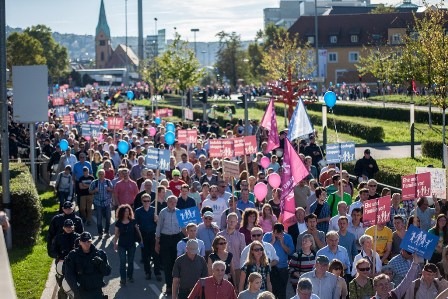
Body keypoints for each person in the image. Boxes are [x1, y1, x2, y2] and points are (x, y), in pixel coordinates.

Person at [64, 232, 111, 299]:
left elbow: (108, 272)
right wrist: (76, 291)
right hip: (81, 292)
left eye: (88, 241)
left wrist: (101, 264)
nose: (86, 243)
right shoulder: (73, 255)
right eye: (84, 241)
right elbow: (69, 275)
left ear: (91, 241)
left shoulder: (100, 254)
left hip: (96, 291)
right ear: (80, 242)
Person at [156, 195, 184, 295]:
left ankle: (176, 286)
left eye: (174, 202)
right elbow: (159, 227)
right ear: (167, 202)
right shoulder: (163, 212)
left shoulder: (179, 212)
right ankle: (168, 286)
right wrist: (157, 243)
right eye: (170, 201)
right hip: (165, 239)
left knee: (176, 263)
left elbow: (183, 227)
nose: (172, 203)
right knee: (167, 264)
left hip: (177, 238)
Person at [262, 223, 294, 299]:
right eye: (276, 233)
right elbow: (262, 250)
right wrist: (273, 240)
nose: (278, 235)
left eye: (280, 233)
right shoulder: (267, 236)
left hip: (282, 268)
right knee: (270, 291)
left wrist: (282, 243)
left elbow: (290, 252)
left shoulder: (287, 237)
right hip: (270, 267)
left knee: (282, 291)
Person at [50, 219, 80, 299]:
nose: (69, 228)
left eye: (70, 226)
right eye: (67, 227)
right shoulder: (58, 238)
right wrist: (59, 258)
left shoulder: (78, 237)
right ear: (63, 227)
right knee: (63, 288)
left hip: (75, 266)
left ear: (73, 227)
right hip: (62, 266)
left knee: (73, 287)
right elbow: (52, 251)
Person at [113, 204, 142, 286]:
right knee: (122, 262)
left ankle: (130, 276)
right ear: (122, 212)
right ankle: (123, 279)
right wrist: (115, 244)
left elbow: (138, 230)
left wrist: (141, 240)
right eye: (125, 211)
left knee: (130, 262)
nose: (127, 213)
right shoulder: (118, 223)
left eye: (128, 211)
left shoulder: (133, 221)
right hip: (121, 245)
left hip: (131, 245)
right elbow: (116, 234)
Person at [134, 193, 160, 280]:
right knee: (145, 256)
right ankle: (148, 272)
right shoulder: (138, 211)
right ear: (142, 201)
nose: (146, 202)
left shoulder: (154, 210)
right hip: (143, 235)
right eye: (144, 201)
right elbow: (136, 224)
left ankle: (157, 273)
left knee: (156, 254)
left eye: (148, 201)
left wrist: (157, 220)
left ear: (150, 201)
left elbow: (159, 223)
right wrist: (139, 237)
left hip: (153, 234)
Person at [217, 212, 246, 285]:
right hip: (222, 267)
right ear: (226, 221)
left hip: (237, 266)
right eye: (230, 221)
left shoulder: (241, 236)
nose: (231, 223)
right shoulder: (219, 235)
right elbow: (216, 251)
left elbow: (243, 253)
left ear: (237, 222)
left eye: (234, 221)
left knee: (236, 288)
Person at [89, 169, 114, 239]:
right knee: (99, 218)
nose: (101, 175)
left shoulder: (108, 181)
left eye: (102, 174)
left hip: (107, 202)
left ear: (104, 174)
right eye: (100, 174)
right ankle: (100, 232)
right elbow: (90, 191)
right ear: (98, 175)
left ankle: (107, 231)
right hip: (98, 203)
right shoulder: (94, 182)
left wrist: (110, 189)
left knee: (108, 217)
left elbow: (113, 189)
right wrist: (94, 190)